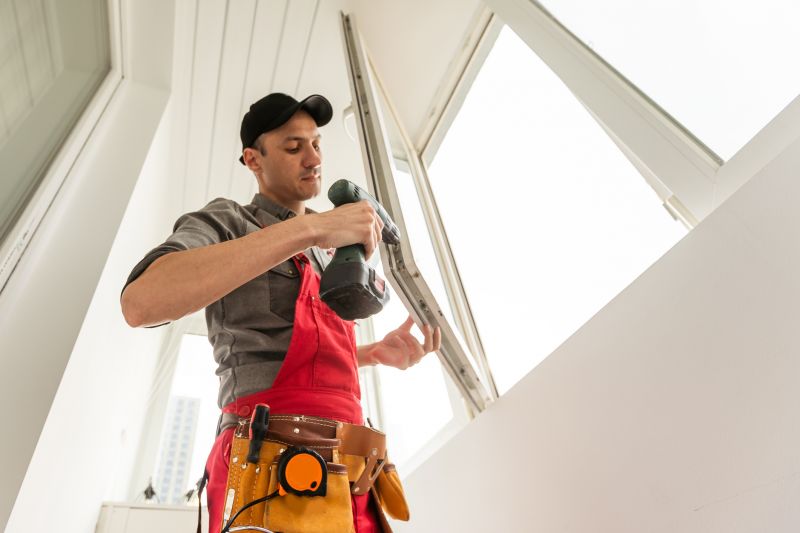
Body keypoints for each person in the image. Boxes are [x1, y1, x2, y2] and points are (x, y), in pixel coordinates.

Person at [121, 93, 440, 533]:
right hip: (269, 467)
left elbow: (302, 348)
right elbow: (141, 302)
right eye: (293, 147)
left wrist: (367, 354)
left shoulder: (328, 252)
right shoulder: (229, 222)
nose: (313, 158)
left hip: (349, 472)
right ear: (254, 159)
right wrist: (308, 226)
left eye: (316, 144)